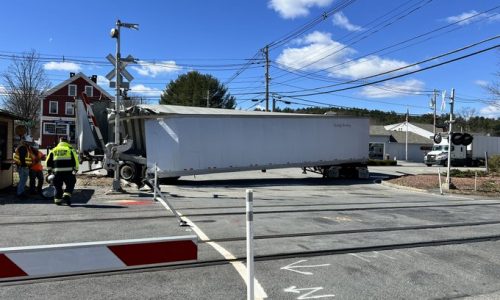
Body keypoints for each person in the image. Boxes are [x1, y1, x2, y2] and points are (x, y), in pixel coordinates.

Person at [45, 136, 79, 206]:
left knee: (58, 187)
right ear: (67, 142)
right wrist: (76, 169)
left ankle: (57, 200)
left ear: (60, 142)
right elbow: (76, 160)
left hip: (57, 173)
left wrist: (49, 170)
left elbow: (48, 161)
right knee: (70, 184)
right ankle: (66, 195)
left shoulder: (53, 150)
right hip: (68, 172)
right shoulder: (70, 149)